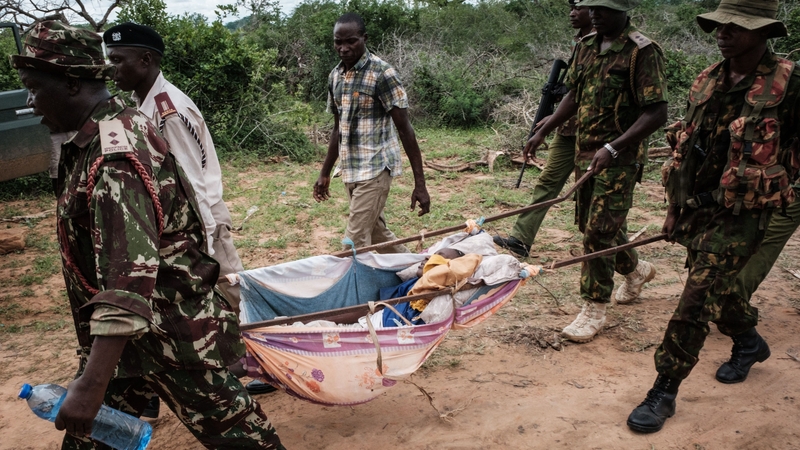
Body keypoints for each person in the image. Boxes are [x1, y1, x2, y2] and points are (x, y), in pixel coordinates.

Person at [10, 20, 284, 449]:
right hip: (127, 342)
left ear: (68, 82)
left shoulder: (114, 153)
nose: (29, 101)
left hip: (170, 337)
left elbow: (128, 277)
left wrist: (90, 384)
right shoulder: (99, 136)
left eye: (32, 87)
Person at [626, 0, 800, 433]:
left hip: (747, 213)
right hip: (700, 207)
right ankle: (748, 341)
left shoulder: (790, 84)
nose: (723, 33)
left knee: (695, 299)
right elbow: (687, 150)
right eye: (720, 25)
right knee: (719, 291)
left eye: (735, 27)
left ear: (763, 33)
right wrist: (673, 210)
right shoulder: (708, 80)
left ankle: (663, 391)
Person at [101, 23, 274, 401]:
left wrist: (204, 242)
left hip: (203, 223)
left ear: (146, 60)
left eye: (118, 59)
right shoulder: (140, 104)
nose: (110, 67)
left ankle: (271, 362)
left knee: (233, 295)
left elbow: (191, 181)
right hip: (182, 228)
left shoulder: (168, 111)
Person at [513, 0, 668, 343]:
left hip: (620, 158)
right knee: (592, 223)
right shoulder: (586, 46)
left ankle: (593, 308)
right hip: (585, 152)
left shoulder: (641, 51)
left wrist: (614, 147)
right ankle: (636, 269)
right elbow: (573, 95)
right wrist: (545, 129)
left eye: (603, 9)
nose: (595, 14)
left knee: (598, 231)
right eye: (591, 8)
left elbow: (656, 112)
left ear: (624, 10)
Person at [313, 12, 431, 253]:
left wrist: (420, 184)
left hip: (376, 168)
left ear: (364, 38)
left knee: (352, 243)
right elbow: (338, 128)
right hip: (351, 169)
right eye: (338, 42)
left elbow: (406, 131)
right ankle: (413, 270)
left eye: (351, 41)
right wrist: (324, 173)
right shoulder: (335, 76)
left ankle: (359, 291)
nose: (343, 48)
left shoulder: (382, 73)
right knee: (378, 235)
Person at [494, 0, 593, 258]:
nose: (573, 13)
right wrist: (551, 120)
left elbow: (583, 93)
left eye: (578, 8)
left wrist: (549, 122)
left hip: (594, 133)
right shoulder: (581, 42)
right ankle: (521, 239)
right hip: (569, 128)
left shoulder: (606, 45)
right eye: (571, 7)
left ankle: (630, 265)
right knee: (548, 182)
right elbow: (572, 90)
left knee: (592, 200)